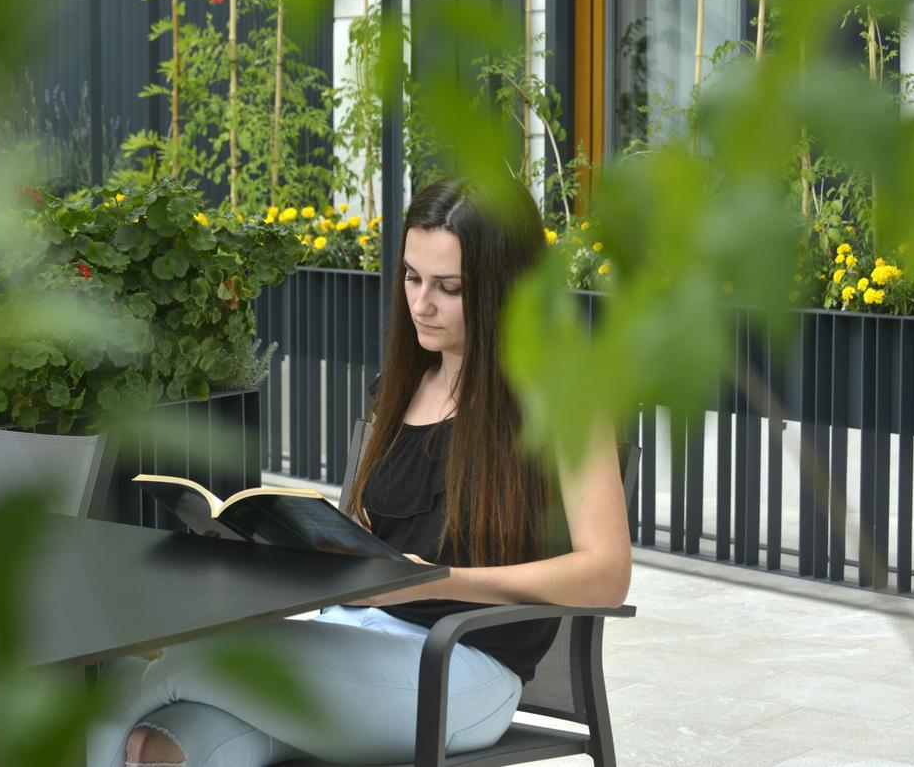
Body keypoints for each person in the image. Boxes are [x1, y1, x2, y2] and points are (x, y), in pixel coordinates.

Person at [91, 178, 632, 767]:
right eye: (411, 277)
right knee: (161, 745)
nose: (420, 304)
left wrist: (442, 581)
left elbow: (606, 575)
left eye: (449, 288)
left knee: (173, 656)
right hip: (351, 642)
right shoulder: (400, 390)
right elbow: (365, 541)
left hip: (457, 669)